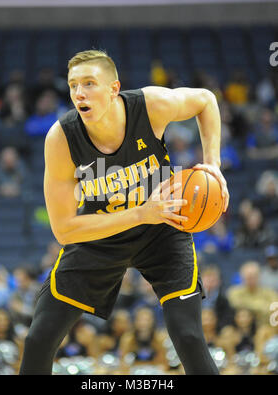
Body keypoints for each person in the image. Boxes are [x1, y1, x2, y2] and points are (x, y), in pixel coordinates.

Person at [19, 49, 229, 375]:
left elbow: (205, 101)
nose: (79, 93)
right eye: (74, 85)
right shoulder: (62, 138)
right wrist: (139, 214)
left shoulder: (150, 106)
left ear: (114, 88)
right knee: (38, 339)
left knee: (188, 336)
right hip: (102, 233)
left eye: (89, 83)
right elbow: (64, 230)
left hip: (162, 228)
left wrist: (213, 165)